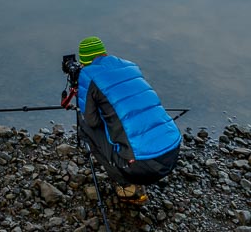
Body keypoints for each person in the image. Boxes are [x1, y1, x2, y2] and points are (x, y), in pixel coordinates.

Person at [72, 36, 181, 204]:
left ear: (83, 61)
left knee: (85, 128)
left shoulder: (88, 74)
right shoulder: (130, 65)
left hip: (143, 166)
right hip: (173, 151)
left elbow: (92, 122)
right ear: (104, 52)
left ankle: (128, 188)